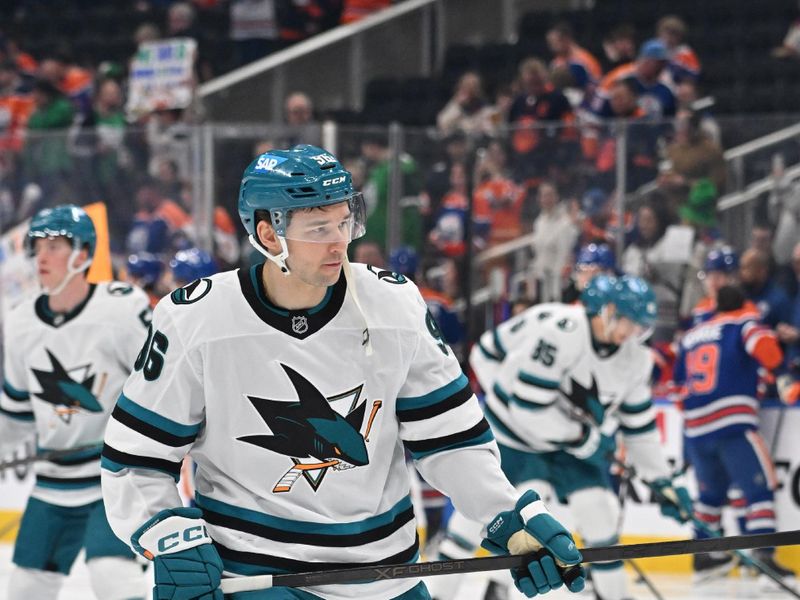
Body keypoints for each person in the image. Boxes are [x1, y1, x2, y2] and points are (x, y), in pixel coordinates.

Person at [101, 145, 585, 600]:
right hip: (258, 579)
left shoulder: (394, 305)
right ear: (268, 235)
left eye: (344, 222)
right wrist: (169, 533)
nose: (339, 243)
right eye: (318, 229)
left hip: (388, 579)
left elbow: (449, 438)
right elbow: (136, 457)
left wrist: (507, 514)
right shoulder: (196, 320)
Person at [430, 275, 691, 600]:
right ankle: (448, 593)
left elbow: (640, 428)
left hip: (570, 440)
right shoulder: (560, 331)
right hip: (515, 436)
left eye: (640, 326)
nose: (633, 332)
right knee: (490, 515)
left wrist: (662, 481)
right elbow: (527, 408)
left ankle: (614, 595)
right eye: (628, 321)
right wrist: (583, 438)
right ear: (608, 311)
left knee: (600, 512)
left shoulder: (636, 359)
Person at [0, 205, 150, 600]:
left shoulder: (121, 309)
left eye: (54, 247)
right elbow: (15, 415)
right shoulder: (20, 322)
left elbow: (159, 389)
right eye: (37, 247)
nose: (41, 258)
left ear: (83, 254)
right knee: (24, 590)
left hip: (114, 477)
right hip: (52, 483)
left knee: (112, 577)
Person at [674, 284, 795, 582]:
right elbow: (767, 351)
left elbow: (678, 386)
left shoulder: (692, 335)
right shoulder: (744, 324)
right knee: (759, 489)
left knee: (709, 496)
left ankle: (705, 559)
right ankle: (763, 561)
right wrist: (782, 374)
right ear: (743, 305)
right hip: (732, 424)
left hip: (695, 429)